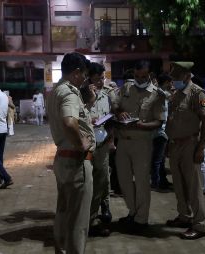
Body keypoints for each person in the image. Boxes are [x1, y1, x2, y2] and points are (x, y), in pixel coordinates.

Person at [47, 52, 95, 254]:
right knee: (78, 219)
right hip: (76, 162)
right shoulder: (69, 92)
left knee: (64, 211)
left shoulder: (56, 91)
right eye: (84, 75)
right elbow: (69, 122)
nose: (84, 79)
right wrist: (82, 143)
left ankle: (62, 250)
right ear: (76, 73)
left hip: (63, 158)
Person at [114, 60, 167, 230]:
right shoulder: (126, 88)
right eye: (137, 76)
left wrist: (141, 126)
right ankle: (132, 212)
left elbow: (159, 121)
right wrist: (119, 112)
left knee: (143, 182)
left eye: (143, 76)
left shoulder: (156, 95)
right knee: (124, 180)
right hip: (122, 142)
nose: (139, 79)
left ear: (150, 75)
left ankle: (141, 219)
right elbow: (115, 106)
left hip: (142, 143)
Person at [165, 61, 205, 240]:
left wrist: (200, 147)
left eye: (176, 77)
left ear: (187, 75)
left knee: (192, 186)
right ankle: (184, 216)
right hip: (175, 144)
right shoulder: (177, 94)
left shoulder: (197, 94)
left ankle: (199, 225)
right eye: (172, 77)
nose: (173, 80)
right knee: (178, 183)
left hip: (190, 144)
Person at [87, 62, 116, 237]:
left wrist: (111, 139)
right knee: (91, 183)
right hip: (88, 146)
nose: (100, 82)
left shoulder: (107, 94)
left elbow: (112, 117)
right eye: (97, 78)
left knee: (104, 180)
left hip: (103, 143)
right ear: (89, 77)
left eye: (102, 78)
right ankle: (91, 218)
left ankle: (104, 213)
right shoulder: (83, 95)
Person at [151, 73, 173, 191]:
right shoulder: (158, 93)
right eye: (170, 82)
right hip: (158, 131)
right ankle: (157, 182)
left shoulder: (163, 94)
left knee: (161, 159)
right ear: (166, 82)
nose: (172, 85)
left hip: (162, 131)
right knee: (157, 160)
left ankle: (162, 180)